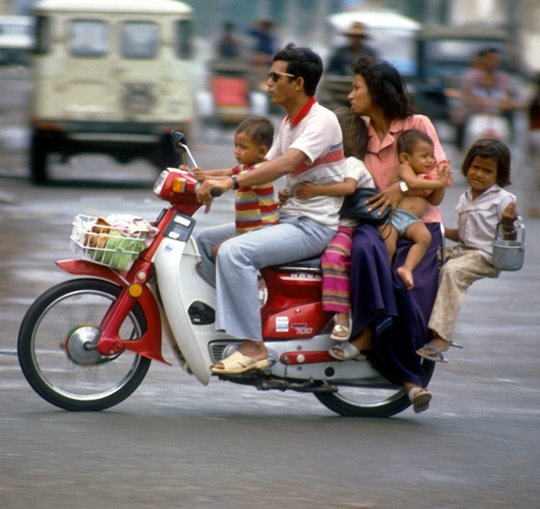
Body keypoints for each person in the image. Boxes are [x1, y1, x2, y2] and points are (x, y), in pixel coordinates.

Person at [194, 43, 346, 375]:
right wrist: (209, 175)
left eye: (276, 77)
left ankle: (253, 346)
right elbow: (259, 164)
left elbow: (283, 165)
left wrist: (229, 184)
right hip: (287, 218)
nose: (268, 83)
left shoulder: (321, 121)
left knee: (234, 253)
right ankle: (229, 324)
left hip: (313, 226)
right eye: (269, 76)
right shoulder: (289, 122)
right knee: (203, 243)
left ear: (299, 83)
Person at [340, 56, 452, 413]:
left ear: (378, 91)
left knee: (404, 289)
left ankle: (405, 374)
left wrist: (400, 185)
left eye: (356, 87)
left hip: (421, 227)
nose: (350, 94)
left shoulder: (418, 125)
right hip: (375, 224)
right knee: (365, 258)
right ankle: (378, 345)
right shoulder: (355, 130)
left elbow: (437, 190)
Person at [419, 138, 518, 363]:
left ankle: (441, 336)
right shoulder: (466, 197)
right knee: (423, 260)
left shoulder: (504, 200)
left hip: (485, 256)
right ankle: (421, 322)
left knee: (452, 272)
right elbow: (463, 234)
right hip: (463, 249)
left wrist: (509, 224)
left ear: (498, 175)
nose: (479, 174)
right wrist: (436, 229)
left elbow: (511, 238)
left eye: (487, 171)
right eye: (475, 167)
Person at [289, 107, 374, 344]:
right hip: (325, 222)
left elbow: (347, 188)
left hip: (347, 225)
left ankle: (342, 317)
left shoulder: (352, 163)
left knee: (333, 258)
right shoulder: (327, 166)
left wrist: (314, 190)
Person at [191, 116, 278, 259]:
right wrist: (201, 174)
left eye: (243, 147)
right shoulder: (246, 167)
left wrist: (209, 179)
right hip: (247, 229)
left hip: (261, 230)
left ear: (262, 151)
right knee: (206, 241)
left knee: (219, 251)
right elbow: (225, 172)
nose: (237, 151)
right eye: (236, 145)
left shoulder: (259, 170)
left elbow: (227, 179)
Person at [455, 48, 519, 148]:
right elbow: (465, 96)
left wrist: (500, 103)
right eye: (490, 59)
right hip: (476, 117)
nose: (493, 63)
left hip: (497, 118)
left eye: (496, 60)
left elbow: (509, 99)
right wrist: (477, 102)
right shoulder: (472, 76)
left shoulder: (503, 78)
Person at [525, 73, 540, 217]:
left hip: (535, 134)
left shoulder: (535, 99)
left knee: (536, 172)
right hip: (537, 135)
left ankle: (533, 205)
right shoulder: (535, 99)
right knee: (536, 173)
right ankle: (533, 205)